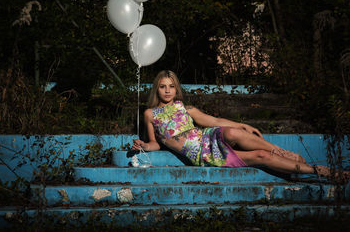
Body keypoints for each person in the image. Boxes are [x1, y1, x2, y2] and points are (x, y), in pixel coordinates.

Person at [132, 70, 349, 180]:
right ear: (156, 89)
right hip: (203, 155)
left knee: (234, 131)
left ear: (176, 89)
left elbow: (215, 121)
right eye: (163, 86)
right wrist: (142, 145)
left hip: (207, 137)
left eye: (171, 86)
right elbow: (155, 143)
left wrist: (243, 125)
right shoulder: (150, 114)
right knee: (261, 157)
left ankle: (281, 151)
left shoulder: (185, 108)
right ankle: (320, 171)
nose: (167, 90)